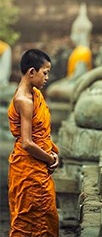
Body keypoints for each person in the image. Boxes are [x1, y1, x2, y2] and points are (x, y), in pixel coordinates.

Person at [7, 49, 59, 236]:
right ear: (31, 72)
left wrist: (51, 155)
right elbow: (27, 143)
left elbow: (41, 134)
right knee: (29, 219)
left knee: (45, 216)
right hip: (28, 168)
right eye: (44, 72)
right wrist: (49, 159)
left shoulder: (35, 93)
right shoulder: (24, 100)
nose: (47, 77)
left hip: (38, 165)